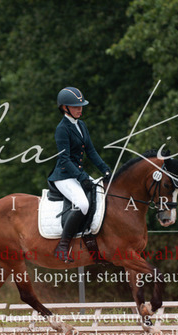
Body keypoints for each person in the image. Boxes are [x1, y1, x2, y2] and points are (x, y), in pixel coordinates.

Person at [48, 87, 111, 262]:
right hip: (64, 176)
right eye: (76, 106)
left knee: (102, 195)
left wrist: (105, 169)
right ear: (65, 108)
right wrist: (82, 178)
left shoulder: (81, 125)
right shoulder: (62, 129)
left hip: (77, 173)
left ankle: (92, 238)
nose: (80, 109)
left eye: (81, 105)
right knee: (83, 204)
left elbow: (91, 151)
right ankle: (62, 246)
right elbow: (64, 159)